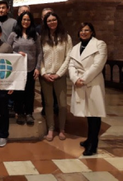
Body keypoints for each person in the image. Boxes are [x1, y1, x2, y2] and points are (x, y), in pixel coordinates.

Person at [69, 22, 107, 156]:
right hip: (79, 82)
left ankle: (93, 144)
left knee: (94, 114)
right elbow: (71, 65)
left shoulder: (99, 44)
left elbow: (98, 65)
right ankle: (89, 138)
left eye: (86, 30)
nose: (83, 32)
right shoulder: (75, 47)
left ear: (92, 32)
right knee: (87, 113)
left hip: (93, 82)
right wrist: (75, 79)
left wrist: (83, 79)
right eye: (81, 31)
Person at [40, 12, 72, 141]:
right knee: (48, 103)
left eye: (54, 20)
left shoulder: (66, 37)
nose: (51, 22)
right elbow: (40, 57)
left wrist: (59, 73)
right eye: (49, 21)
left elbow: (68, 56)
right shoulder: (42, 37)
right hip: (46, 76)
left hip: (60, 75)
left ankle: (62, 129)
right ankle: (51, 129)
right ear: (46, 23)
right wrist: (43, 73)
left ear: (58, 21)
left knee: (62, 104)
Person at [7, 12, 42, 125]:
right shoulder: (13, 34)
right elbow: (7, 50)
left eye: (28, 20)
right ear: (20, 21)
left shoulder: (35, 35)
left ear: (31, 21)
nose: (25, 22)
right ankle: (20, 113)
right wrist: (16, 53)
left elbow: (39, 52)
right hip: (17, 68)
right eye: (23, 19)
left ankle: (29, 113)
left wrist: (38, 67)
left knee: (29, 91)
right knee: (18, 91)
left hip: (30, 67)